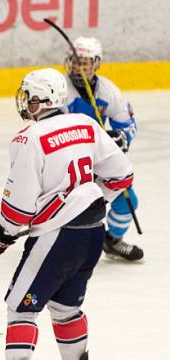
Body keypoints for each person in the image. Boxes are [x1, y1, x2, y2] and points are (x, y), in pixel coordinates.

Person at [0, 68, 133, 360]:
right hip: (92, 231)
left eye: (28, 95)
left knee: (21, 307)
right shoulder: (85, 124)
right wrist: (92, 201)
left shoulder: (27, 138)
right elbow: (122, 174)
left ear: (39, 100)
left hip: (57, 237)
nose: (24, 101)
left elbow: (19, 210)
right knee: (65, 308)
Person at [63, 36, 142, 261]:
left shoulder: (108, 91)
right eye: (75, 61)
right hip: (68, 163)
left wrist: (120, 138)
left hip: (98, 160)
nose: (78, 67)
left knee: (128, 202)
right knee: (70, 206)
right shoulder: (60, 90)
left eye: (84, 62)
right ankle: (57, 241)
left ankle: (112, 241)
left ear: (96, 63)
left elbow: (127, 124)